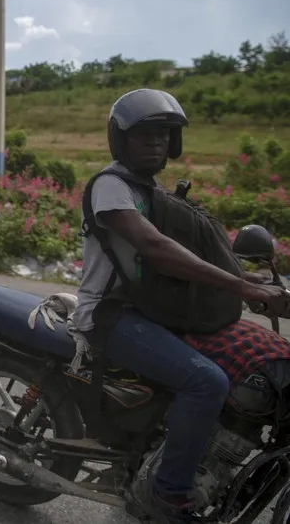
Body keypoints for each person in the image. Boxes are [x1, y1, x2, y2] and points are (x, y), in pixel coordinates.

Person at [75, 88, 290, 523]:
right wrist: (242, 287)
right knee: (206, 381)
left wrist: (257, 285)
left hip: (155, 312)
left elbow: (192, 257)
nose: (156, 142)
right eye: (145, 134)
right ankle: (168, 493)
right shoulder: (111, 188)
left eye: (164, 134)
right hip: (112, 316)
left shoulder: (156, 193)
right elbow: (157, 250)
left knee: (265, 361)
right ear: (121, 139)